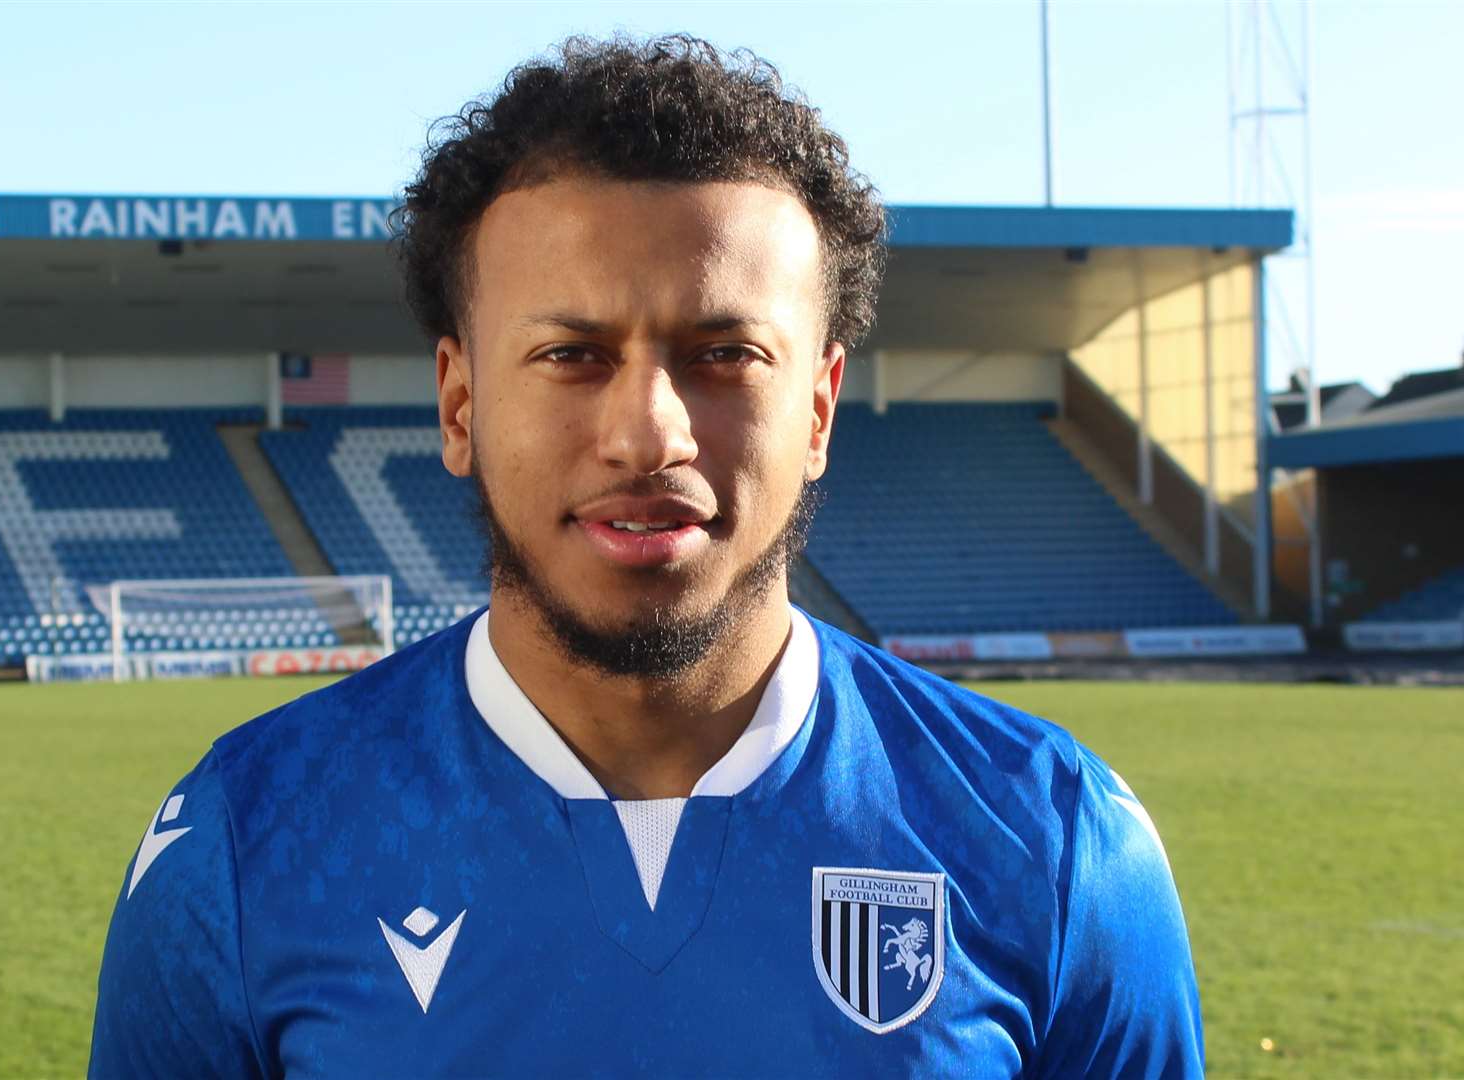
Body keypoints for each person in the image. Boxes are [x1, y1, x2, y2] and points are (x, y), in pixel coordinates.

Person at [89, 34, 1202, 1078]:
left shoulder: (1050, 840)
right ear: (461, 402)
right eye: (570, 354)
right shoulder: (246, 842)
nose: (648, 432)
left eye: (726, 353)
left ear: (817, 410)